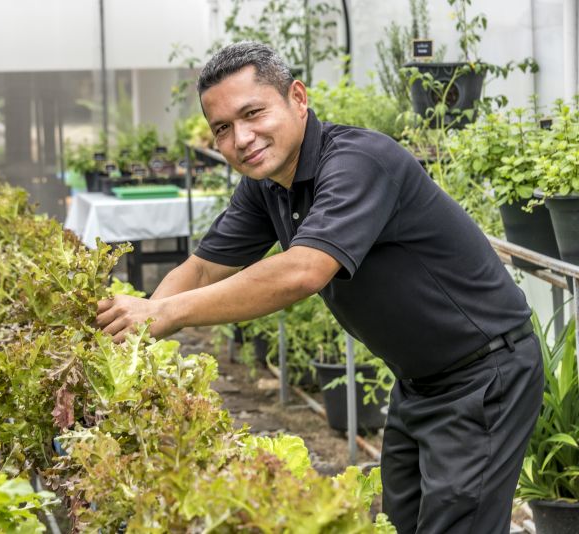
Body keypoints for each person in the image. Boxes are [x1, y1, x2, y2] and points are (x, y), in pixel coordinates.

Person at [95, 41, 544, 533]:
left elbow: (303, 271)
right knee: (397, 524)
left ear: (298, 98)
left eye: (253, 113)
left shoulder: (358, 161)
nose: (241, 138)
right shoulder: (267, 185)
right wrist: (133, 339)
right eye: (222, 128)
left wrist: (167, 314)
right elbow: (202, 270)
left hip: (484, 375)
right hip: (418, 381)